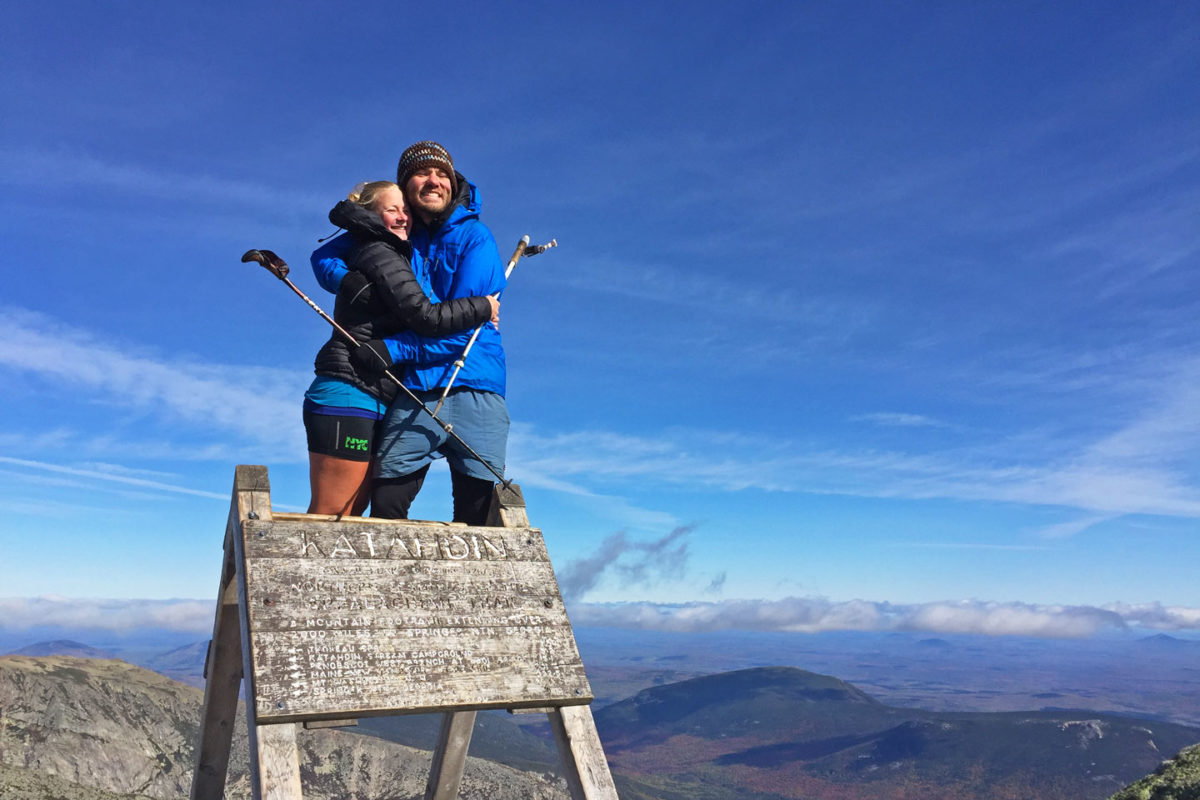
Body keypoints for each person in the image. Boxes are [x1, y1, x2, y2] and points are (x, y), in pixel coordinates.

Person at [319, 141, 510, 525]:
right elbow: (322, 257)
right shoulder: (395, 232)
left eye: (443, 174)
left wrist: (393, 348)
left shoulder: (476, 238)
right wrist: (351, 282)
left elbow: (464, 328)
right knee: (387, 505)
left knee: (478, 520)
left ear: (454, 185)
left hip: (475, 385)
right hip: (416, 389)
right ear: (405, 186)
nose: (433, 181)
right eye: (422, 173)